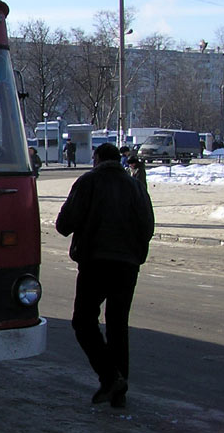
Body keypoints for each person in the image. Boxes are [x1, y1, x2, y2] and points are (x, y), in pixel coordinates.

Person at [56, 143, 155, 409]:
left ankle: (110, 377)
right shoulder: (135, 187)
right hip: (127, 265)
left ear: (97, 159)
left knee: (84, 322)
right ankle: (119, 391)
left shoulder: (88, 182)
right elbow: (147, 227)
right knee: (118, 325)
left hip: (95, 262)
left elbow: (64, 225)